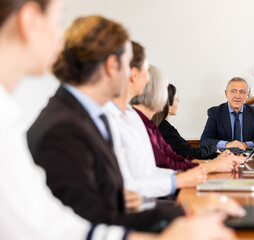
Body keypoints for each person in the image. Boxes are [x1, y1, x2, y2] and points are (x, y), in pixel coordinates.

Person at [0, 0, 237, 239]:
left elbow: (81, 214)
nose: (133, 76)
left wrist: (179, 211)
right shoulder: (63, 127)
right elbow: (71, 222)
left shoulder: (85, 118)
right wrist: (178, 218)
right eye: (57, 21)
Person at [26, 15, 190, 232]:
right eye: (127, 63)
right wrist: (182, 214)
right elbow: (90, 219)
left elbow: (109, 199)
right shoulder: (64, 128)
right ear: (113, 65)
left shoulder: (87, 116)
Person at [104, 42, 207, 198]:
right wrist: (180, 179)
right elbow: (130, 185)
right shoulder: (119, 118)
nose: (147, 79)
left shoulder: (132, 116)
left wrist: (190, 174)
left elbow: (152, 170)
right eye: (146, 71)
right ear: (133, 74)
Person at [131, 66, 245, 173]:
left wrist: (215, 162)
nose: (165, 97)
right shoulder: (147, 126)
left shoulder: (152, 127)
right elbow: (171, 165)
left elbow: (175, 161)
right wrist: (213, 165)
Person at [200, 77, 254, 150]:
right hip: (224, 157)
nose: (237, 96)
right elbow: (205, 141)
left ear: (246, 95)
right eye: (233, 91)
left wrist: (246, 145)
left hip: (247, 156)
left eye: (242, 92)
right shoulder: (215, 112)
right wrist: (227, 144)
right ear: (226, 93)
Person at [153, 84, 217, 159]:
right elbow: (193, 154)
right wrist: (214, 148)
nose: (179, 101)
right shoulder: (164, 129)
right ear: (168, 105)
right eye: (176, 99)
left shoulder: (162, 126)